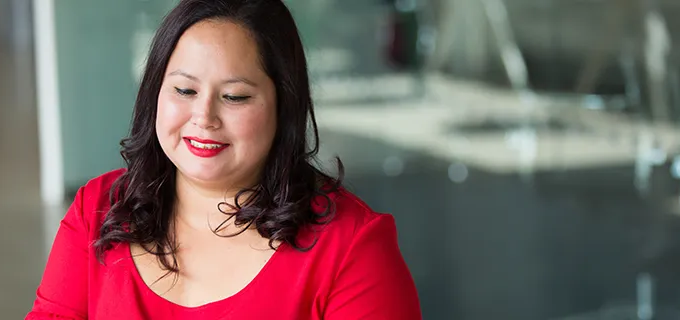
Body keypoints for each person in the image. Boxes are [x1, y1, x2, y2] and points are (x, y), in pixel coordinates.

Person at [25, 0, 422, 319]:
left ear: (283, 107)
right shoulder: (98, 209)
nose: (204, 117)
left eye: (234, 96)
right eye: (183, 90)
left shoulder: (351, 248)